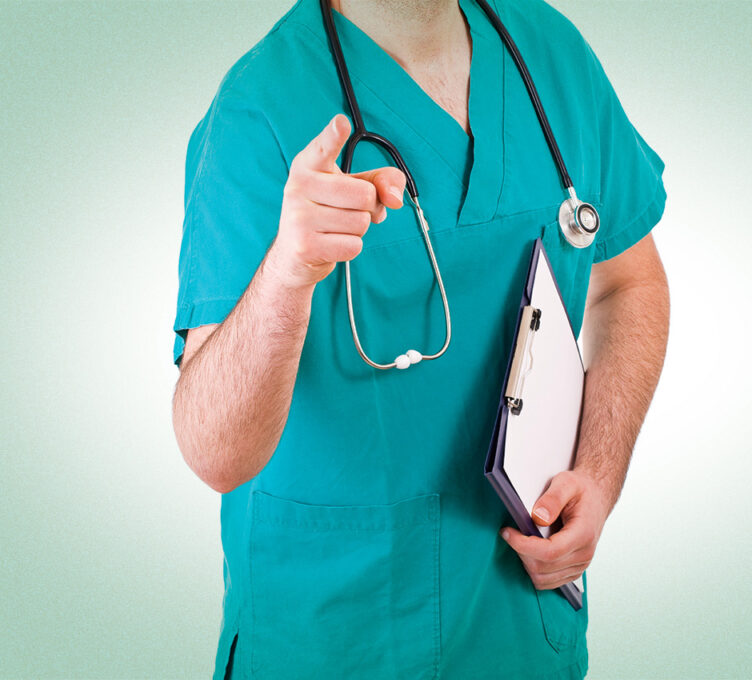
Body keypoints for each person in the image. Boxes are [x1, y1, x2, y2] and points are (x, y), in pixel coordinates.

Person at [170, 0, 669, 677]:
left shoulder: (550, 56)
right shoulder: (260, 109)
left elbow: (626, 284)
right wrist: (288, 273)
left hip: (520, 630)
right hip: (339, 638)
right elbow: (215, 453)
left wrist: (600, 476)